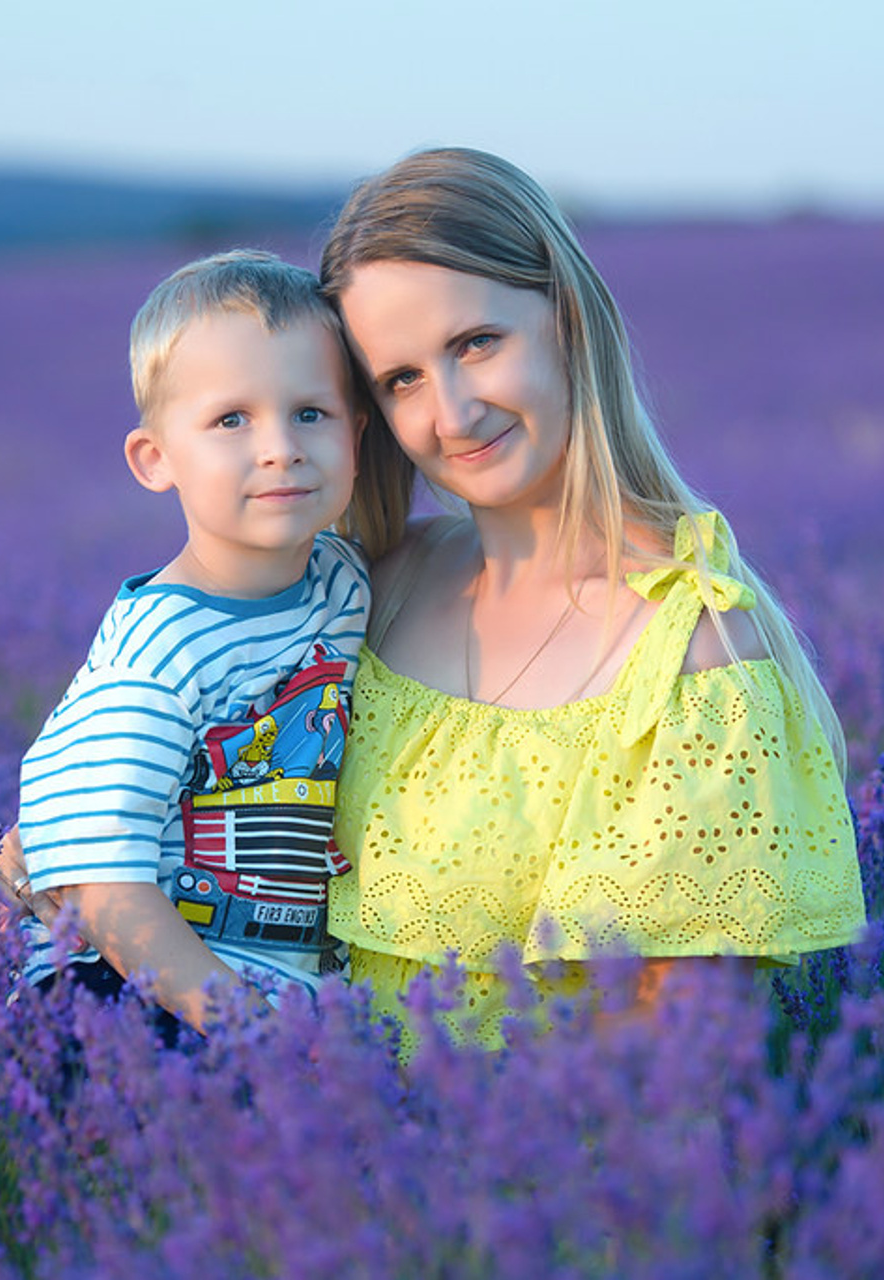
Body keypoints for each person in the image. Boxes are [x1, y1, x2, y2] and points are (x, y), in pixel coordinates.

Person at [317, 146, 866, 1055]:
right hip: (306, 1165)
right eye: (402, 379)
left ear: (567, 318)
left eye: (475, 344)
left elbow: (661, 1071)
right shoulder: (372, 586)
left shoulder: (694, 657)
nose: (450, 414)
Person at [0, 249, 370, 1037]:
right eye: (232, 420)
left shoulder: (343, 584)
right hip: (127, 989)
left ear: (357, 433)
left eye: (311, 412)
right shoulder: (159, 652)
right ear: (154, 459)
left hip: (270, 986)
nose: (279, 447)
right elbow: (102, 889)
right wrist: (246, 1029)